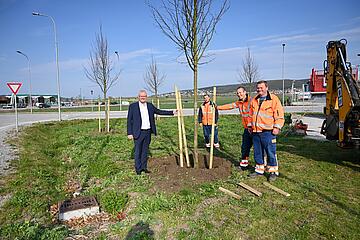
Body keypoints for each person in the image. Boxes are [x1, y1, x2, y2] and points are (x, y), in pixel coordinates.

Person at [127, 90, 177, 175]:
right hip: (138, 132)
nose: (143, 98)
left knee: (145, 150)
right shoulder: (133, 106)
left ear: (146, 97)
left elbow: (159, 111)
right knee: (138, 151)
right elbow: (129, 120)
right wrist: (129, 133)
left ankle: (144, 167)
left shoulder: (150, 106)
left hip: (148, 131)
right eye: (141, 96)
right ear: (138, 97)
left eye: (144, 96)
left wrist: (172, 112)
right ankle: (138, 169)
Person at [248, 81, 284, 181]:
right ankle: (259, 169)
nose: (259, 89)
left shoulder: (273, 99)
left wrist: (277, 127)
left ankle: (273, 171)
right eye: (258, 88)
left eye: (261, 87)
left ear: (266, 88)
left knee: (270, 152)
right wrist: (250, 126)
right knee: (257, 152)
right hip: (256, 131)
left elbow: (279, 115)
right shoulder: (254, 100)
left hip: (268, 131)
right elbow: (250, 115)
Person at [217, 86, 252, 169]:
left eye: (240, 92)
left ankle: (261, 167)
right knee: (245, 147)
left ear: (245, 92)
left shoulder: (252, 101)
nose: (239, 94)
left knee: (259, 149)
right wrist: (218, 107)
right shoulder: (239, 103)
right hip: (247, 129)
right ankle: (244, 164)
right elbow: (230, 106)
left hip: (255, 129)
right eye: (237, 93)